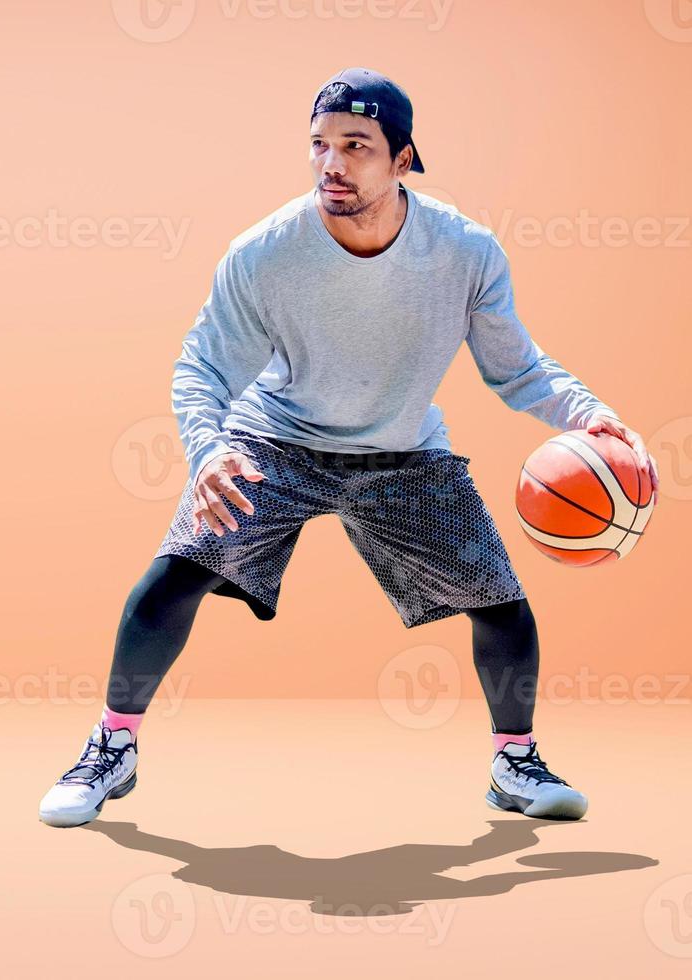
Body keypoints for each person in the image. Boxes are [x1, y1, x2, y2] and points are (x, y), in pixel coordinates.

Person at [38, 67, 660, 828]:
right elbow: (202, 366)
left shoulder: (465, 252)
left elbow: (517, 368)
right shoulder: (265, 253)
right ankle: (112, 747)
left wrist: (590, 414)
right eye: (320, 145)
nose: (332, 163)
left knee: (502, 605)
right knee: (176, 574)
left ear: (402, 161)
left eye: (356, 146)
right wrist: (206, 452)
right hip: (277, 441)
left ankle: (515, 761)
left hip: (404, 453)